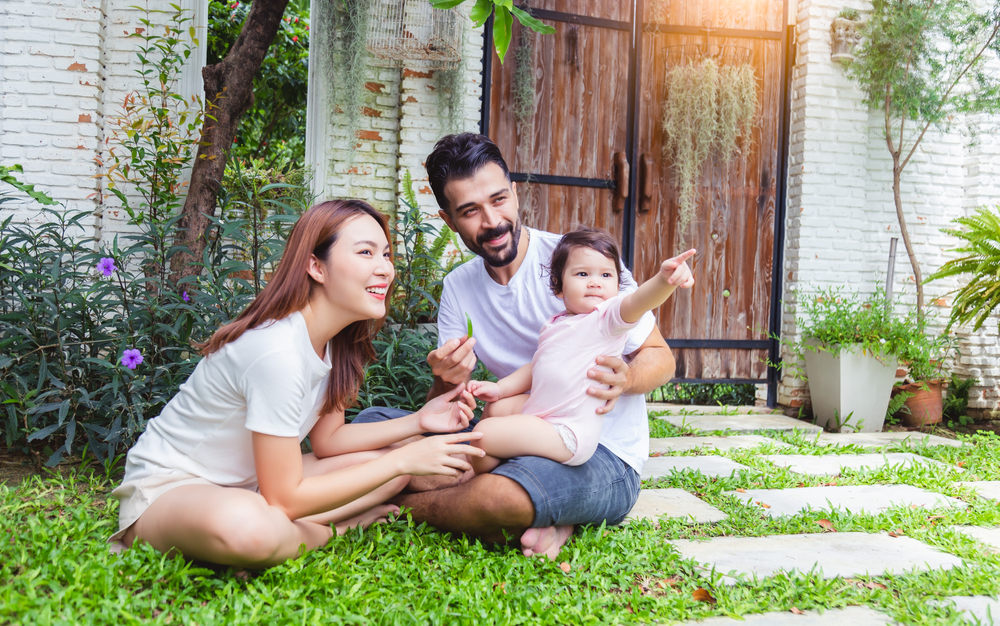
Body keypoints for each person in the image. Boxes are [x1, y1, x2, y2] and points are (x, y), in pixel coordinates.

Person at [109, 199, 484, 568]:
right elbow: (286, 496)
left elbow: (328, 441)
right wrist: (405, 458)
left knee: (385, 471)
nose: (385, 268)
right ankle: (326, 532)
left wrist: (418, 422)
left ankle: (279, 535)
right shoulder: (276, 351)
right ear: (315, 267)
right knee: (249, 528)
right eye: (366, 252)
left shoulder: (333, 341)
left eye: (386, 254)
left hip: (252, 487)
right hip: (169, 491)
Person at [353, 133, 676, 561]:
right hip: (514, 433)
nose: (492, 221)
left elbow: (662, 358)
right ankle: (544, 515)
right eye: (470, 211)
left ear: (515, 193)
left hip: (598, 453)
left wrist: (627, 376)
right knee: (367, 427)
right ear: (449, 221)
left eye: (499, 199)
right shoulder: (459, 287)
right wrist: (444, 380)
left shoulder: (580, 265)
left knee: (501, 497)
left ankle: (393, 502)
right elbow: (446, 407)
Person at [467, 228, 695, 473]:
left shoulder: (608, 320)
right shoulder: (555, 323)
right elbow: (536, 367)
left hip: (567, 432)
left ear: (618, 287)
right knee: (496, 408)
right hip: (542, 411)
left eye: (606, 275)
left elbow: (640, 300)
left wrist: (664, 281)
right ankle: (490, 465)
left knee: (482, 433)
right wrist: (499, 388)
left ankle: (481, 474)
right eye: (583, 273)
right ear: (558, 286)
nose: (595, 282)